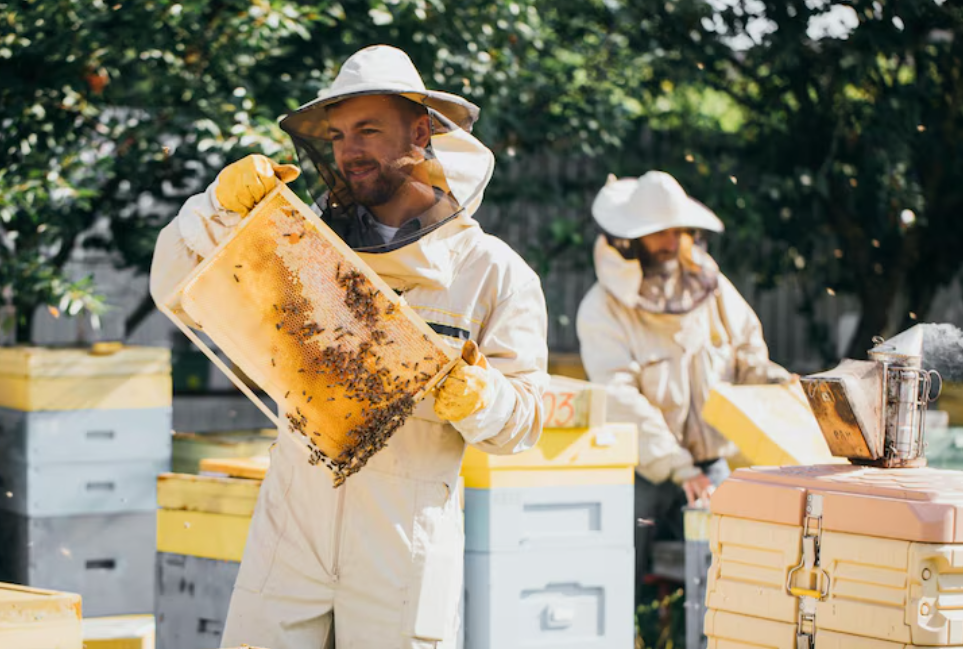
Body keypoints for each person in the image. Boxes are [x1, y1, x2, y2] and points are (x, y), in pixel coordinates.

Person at [150, 45, 549, 649]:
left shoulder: (490, 271)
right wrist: (215, 208)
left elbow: (526, 420)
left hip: (401, 550)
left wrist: (481, 397)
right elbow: (171, 286)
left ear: (420, 132)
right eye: (337, 136)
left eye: (367, 130)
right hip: (292, 532)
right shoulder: (299, 239)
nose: (349, 151)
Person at [575, 171, 791, 593]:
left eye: (677, 230)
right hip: (642, 471)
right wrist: (678, 466)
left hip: (710, 465)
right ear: (628, 240)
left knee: (735, 575)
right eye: (659, 233)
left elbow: (747, 351)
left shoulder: (709, 285)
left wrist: (778, 382)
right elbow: (621, 398)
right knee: (622, 580)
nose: (672, 242)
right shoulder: (601, 309)